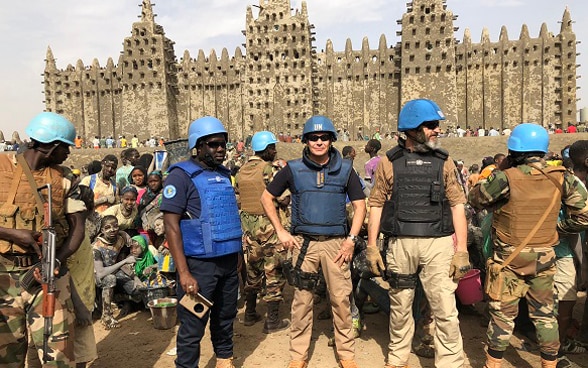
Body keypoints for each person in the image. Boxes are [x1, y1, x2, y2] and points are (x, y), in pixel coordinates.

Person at [468, 124, 588, 368]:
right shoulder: (562, 177)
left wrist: (500, 169)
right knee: (546, 317)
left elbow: (475, 199)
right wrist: (558, 231)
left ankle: (492, 365)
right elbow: (584, 215)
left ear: (513, 150)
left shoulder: (505, 178)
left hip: (508, 259)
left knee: (502, 317)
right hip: (544, 257)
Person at [365, 99, 470, 368]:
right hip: (401, 244)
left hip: (439, 244)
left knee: (445, 310)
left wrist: (462, 250)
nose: (437, 130)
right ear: (412, 129)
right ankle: (398, 359)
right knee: (400, 308)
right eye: (432, 125)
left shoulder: (444, 162)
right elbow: (375, 205)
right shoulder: (388, 162)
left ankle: (451, 363)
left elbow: (458, 205)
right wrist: (372, 246)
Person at [260, 115, 367, 368]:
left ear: (331, 140)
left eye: (323, 137)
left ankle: (346, 354)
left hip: (336, 245)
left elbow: (360, 205)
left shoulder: (345, 169)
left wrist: (351, 240)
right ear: (306, 141)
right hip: (303, 244)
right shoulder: (293, 169)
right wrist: (281, 232)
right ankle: (298, 356)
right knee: (302, 302)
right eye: (313, 138)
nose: (318, 142)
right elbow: (267, 198)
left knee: (341, 301)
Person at [0, 112, 87, 366]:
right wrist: (12, 233)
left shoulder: (65, 179)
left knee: (58, 356)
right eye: (66, 147)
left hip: (46, 275)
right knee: (7, 356)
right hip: (4, 276)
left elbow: (78, 228)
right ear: (52, 147)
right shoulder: (2, 168)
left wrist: (56, 260)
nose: (68, 153)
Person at [161, 116, 242, 368]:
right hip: (199, 265)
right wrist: (183, 272)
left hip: (228, 261)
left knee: (225, 317)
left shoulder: (225, 175)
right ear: (198, 145)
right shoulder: (180, 176)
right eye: (214, 144)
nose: (220, 150)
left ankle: (224, 360)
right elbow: (171, 226)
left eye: (223, 145)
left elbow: (229, 215)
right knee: (192, 325)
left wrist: (238, 257)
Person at [235, 131, 290, 334]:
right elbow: (283, 198)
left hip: (249, 228)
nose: (275, 151)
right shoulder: (269, 169)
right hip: (269, 225)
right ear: (266, 150)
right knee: (273, 270)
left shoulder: (241, 171)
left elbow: (240, 198)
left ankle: (250, 313)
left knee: (253, 270)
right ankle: (273, 320)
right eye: (273, 148)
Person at [92, 215, 139, 329]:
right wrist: (125, 262)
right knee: (110, 279)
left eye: (115, 226)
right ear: (102, 230)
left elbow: (120, 259)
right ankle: (106, 316)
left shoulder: (121, 238)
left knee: (137, 290)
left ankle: (118, 299)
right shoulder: (96, 247)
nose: (112, 230)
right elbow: (101, 273)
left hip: (116, 270)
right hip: (96, 276)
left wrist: (135, 277)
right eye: (107, 227)